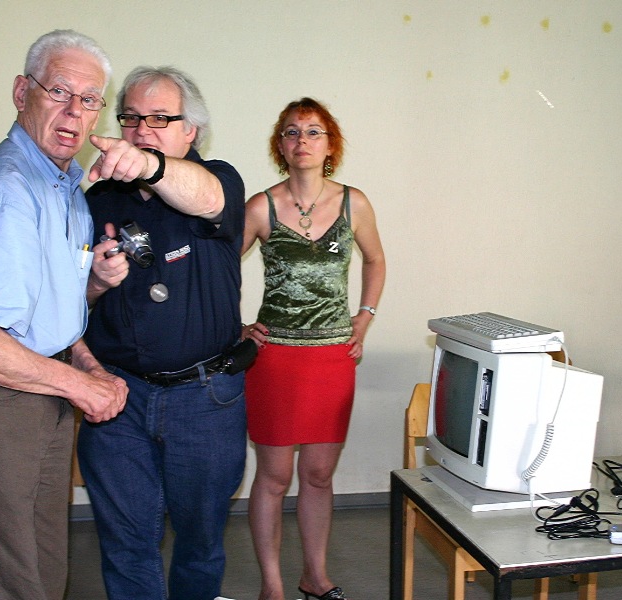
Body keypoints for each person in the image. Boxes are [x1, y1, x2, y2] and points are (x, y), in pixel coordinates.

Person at [0, 30, 128, 600]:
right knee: (8, 579)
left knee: (41, 568)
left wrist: (87, 364)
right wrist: (81, 388)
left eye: (89, 99)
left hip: (34, 387)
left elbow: (45, 315)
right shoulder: (4, 190)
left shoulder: (63, 187)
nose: (74, 111)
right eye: (59, 91)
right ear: (21, 92)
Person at [77, 66, 248, 600]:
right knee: (126, 544)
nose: (141, 130)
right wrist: (96, 283)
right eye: (131, 119)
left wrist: (149, 164)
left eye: (159, 119)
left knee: (200, 542)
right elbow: (67, 306)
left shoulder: (218, 180)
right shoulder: (97, 199)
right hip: (118, 396)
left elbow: (207, 199)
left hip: (205, 397)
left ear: (190, 130)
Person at [241, 97, 386, 600]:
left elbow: (375, 260)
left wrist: (364, 316)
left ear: (330, 145)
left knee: (319, 475)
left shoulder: (354, 203)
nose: (301, 140)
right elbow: (216, 271)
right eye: (291, 132)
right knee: (275, 476)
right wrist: (237, 326)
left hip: (332, 357)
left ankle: (314, 576)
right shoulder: (260, 206)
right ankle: (272, 585)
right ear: (280, 146)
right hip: (274, 359)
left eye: (313, 131)